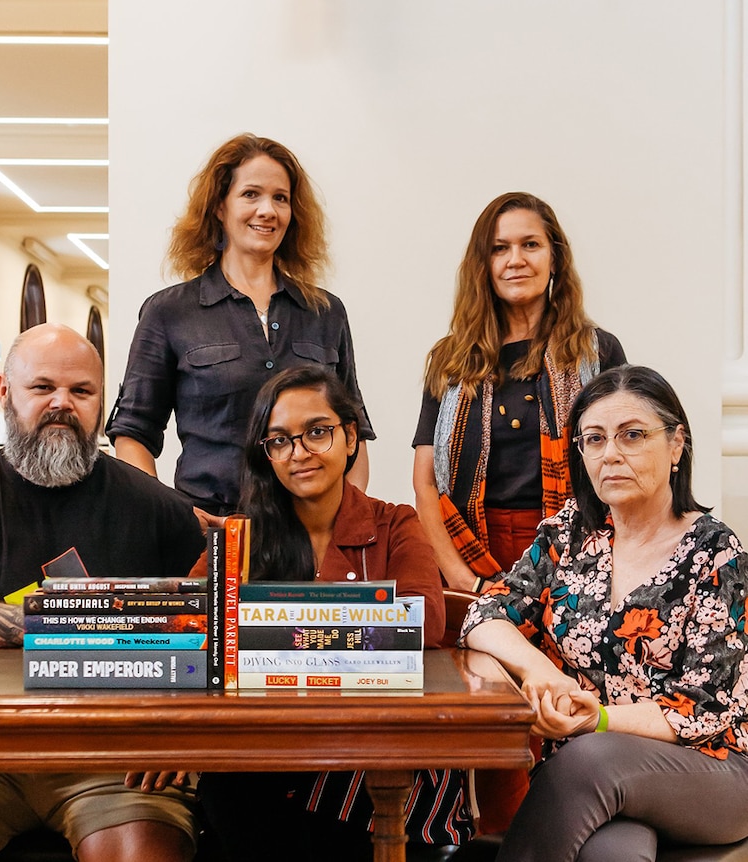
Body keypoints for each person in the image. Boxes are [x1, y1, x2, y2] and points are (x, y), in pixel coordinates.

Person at [0, 324, 207, 862]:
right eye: (42, 388)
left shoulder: (157, 507)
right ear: (5, 392)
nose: (63, 403)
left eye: (81, 391)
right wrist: (72, 616)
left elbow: (210, 624)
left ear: (101, 405)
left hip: (112, 758)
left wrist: (183, 732)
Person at [460, 365, 748, 861]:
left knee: (588, 757)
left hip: (710, 769)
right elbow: (485, 616)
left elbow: (705, 708)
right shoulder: (569, 533)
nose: (610, 454)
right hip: (596, 776)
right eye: (593, 439)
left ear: (677, 445)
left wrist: (600, 720)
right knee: (612, 851)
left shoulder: (718, 552)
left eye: (632, 436)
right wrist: (545, 673)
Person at [195, 365, 465, 861]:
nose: (299, 452)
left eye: (317, 432)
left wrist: (268, 625)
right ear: (266, 455)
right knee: (224, 785)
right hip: (265, 743)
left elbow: (424, 621)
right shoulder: (240, 534)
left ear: (350, 438)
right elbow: (194, 625)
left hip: (375, 735)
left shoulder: (395, 523)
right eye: (279, 441)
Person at [106, 133, 374, 517]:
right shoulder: (168, 312)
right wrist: (177, 518)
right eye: (251, 194)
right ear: (219, 206)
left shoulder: (326, 312)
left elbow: (353, 432)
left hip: (310, 534)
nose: (268, 210)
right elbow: (133, 434)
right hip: (210, 531)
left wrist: (338, 520)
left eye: (280, 198)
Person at [413, 191, 626, 595]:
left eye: (530, 244)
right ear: (484, 265)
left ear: (554, 259)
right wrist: (460, 577)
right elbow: (425, 484)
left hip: (579, 551)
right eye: (499, 249)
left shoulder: (596, 353)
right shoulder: (451, 360)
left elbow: (623, 460)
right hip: (470, 546)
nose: (516, 260)